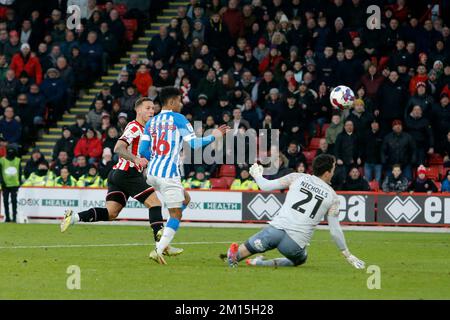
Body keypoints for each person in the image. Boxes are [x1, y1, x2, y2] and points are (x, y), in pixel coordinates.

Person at [60, 98, 184, 257]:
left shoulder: (148, 130)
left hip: (118, 175)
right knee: (155, 203)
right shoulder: (134, 126)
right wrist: (135, 159)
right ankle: (161, 245)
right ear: (138, 110)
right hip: (128, 174)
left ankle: (74, 217)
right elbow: (118, 147)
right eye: (147, 108)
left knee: (111, 213)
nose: (151, 111)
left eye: (153, 108)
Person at [226, 155, 365, 269]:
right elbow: (335, 231)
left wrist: (257, 175)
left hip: (274, 231)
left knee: (240, 253)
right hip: (294, 244)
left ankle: (234, 256)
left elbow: (265, 186)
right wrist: (347, 254)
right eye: (333, 169)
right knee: (300, 259)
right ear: (327, 173)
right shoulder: (333, 197)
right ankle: (260, 263)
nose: (334, 172)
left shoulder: (297, 177)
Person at [139, 87, 228, 264]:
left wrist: (157, 159)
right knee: (176, 214)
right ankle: (159, 249)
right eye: (179, 100)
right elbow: (194, 144)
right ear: (172, 102)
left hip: (152, 174)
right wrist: (214, 136)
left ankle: (164, 241)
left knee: (185, 200)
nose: (181, 104)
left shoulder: (151, 122)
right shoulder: (178, 119)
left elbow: (142, 150)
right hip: (168, 175)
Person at [0, 146, 21, 222]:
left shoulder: (18, 160)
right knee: (5, 201)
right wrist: (2, 181)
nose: (11, 152)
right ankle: (7, 217)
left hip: (14, 184)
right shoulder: (2, 160)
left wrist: (19, 182)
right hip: (5, 184)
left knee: (14, 201)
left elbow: (20, 172)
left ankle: (14, 217)